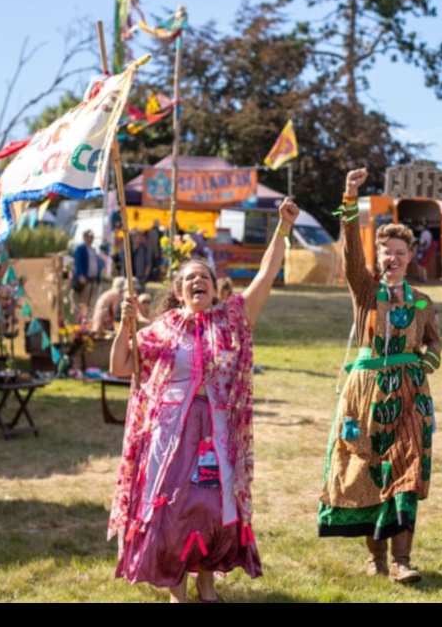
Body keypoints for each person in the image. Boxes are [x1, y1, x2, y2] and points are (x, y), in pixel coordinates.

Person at [107, 197, 301, 604]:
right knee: (171, 507)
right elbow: (122, 366)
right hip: (169, 435)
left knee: (211, 506)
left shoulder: (233, 319)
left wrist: (282, 229)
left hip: (216, 432)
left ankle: (207, 587)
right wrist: (125, 326)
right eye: (190, 279)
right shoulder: (163, 329)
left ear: (215, 289)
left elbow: (266, 274)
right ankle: (178, 593)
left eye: (204, 279)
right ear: (178, 292)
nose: (198, 283)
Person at [318, 168, 441, 585]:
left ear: (410, 257)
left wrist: (422, 365)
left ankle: (402, 560)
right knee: (367, 469)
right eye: (385, 252)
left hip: (410, 395)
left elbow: (435, 345)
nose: (392, 258)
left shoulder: (423, 302)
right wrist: (349, 201)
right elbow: (353, 255)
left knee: (406, 469)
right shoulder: (366, 291)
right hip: (365, 393)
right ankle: (376, 557)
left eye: (399, 252)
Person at [73, 229, 102, 322]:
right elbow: (78, 263)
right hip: (85, 279)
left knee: (91, 302)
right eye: (89, 237)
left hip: (92, 279)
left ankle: (88, 320)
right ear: (85, 237)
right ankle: (81, 320)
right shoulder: (80, 248)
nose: (91, 239)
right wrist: (80, 275)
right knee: (83, 302)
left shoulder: (92, 250)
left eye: (92, 237)